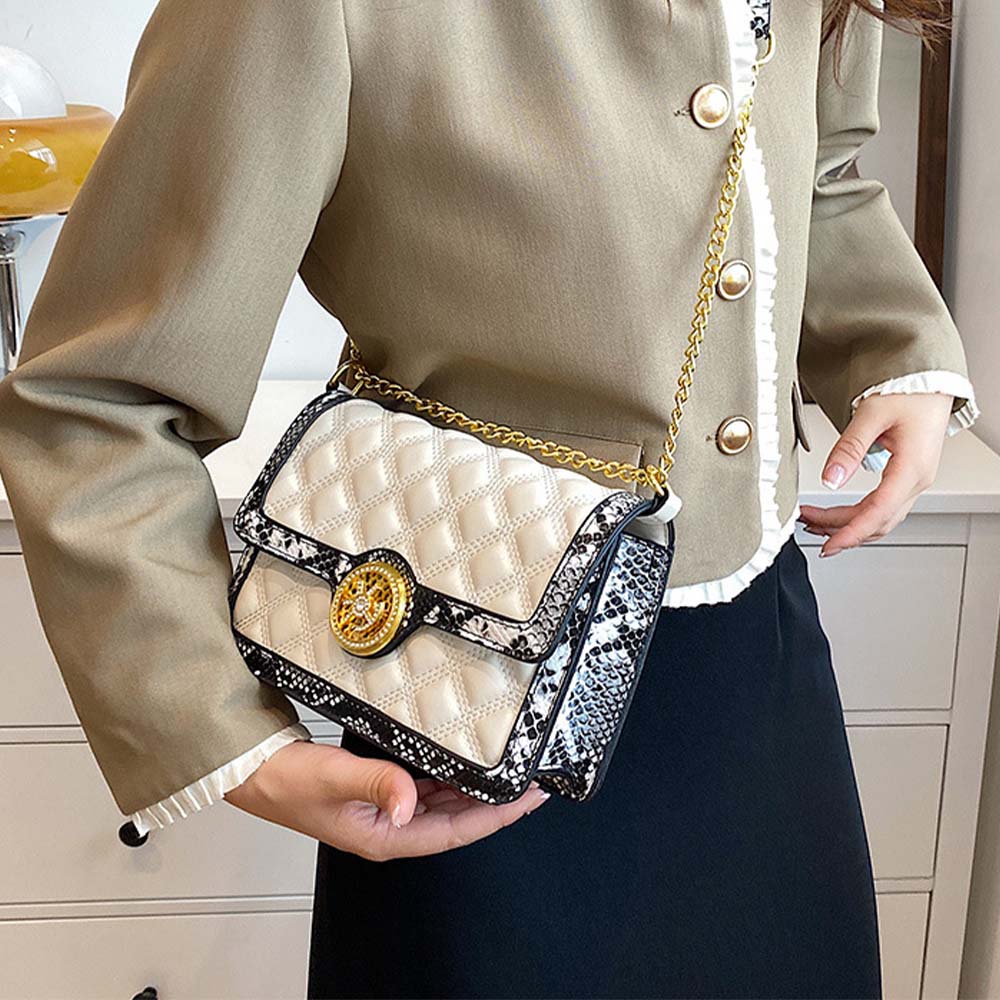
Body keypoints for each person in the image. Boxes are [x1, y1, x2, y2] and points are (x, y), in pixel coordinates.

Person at [0, 0, 978, 997]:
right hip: (465, 696)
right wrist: (224, 735)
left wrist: (895, 350)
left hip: (756, 660)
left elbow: (813, 172)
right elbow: (97, 400)